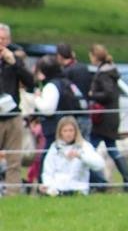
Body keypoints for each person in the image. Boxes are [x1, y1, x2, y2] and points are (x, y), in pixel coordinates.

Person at [87, 44, 128, 192]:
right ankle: (127, 181)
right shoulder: (110, 71)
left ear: (94, 56)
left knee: (90, 150)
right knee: (112, 148)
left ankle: (98, 182)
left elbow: (108, 93)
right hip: (111, 117)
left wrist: (92, 95)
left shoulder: (104, 74)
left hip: (103, 119)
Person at [0, 23, 36, 196]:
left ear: (9, 40)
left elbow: (31, 82)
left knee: (14, 159)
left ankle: (12, 193)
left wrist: (14, 63)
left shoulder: (15, 60)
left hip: (12, 115)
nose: (1, 42)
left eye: (4, 39)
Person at [40, 116, 104, 196]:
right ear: (60, 132)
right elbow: (48, 171)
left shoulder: (84, 146)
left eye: (71, 130)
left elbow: (99, 165)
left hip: (78, 189)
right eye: (65, 131)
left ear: (76, 131)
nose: (68, 134)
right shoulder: (55, 148)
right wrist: (47, 185)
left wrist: (80, 156)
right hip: (57, 189)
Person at [57, 43, 93, 138]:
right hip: (86, 112)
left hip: (72, 116)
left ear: (59, 56)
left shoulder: (65, 73)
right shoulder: (84, 68)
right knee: (85, 146)